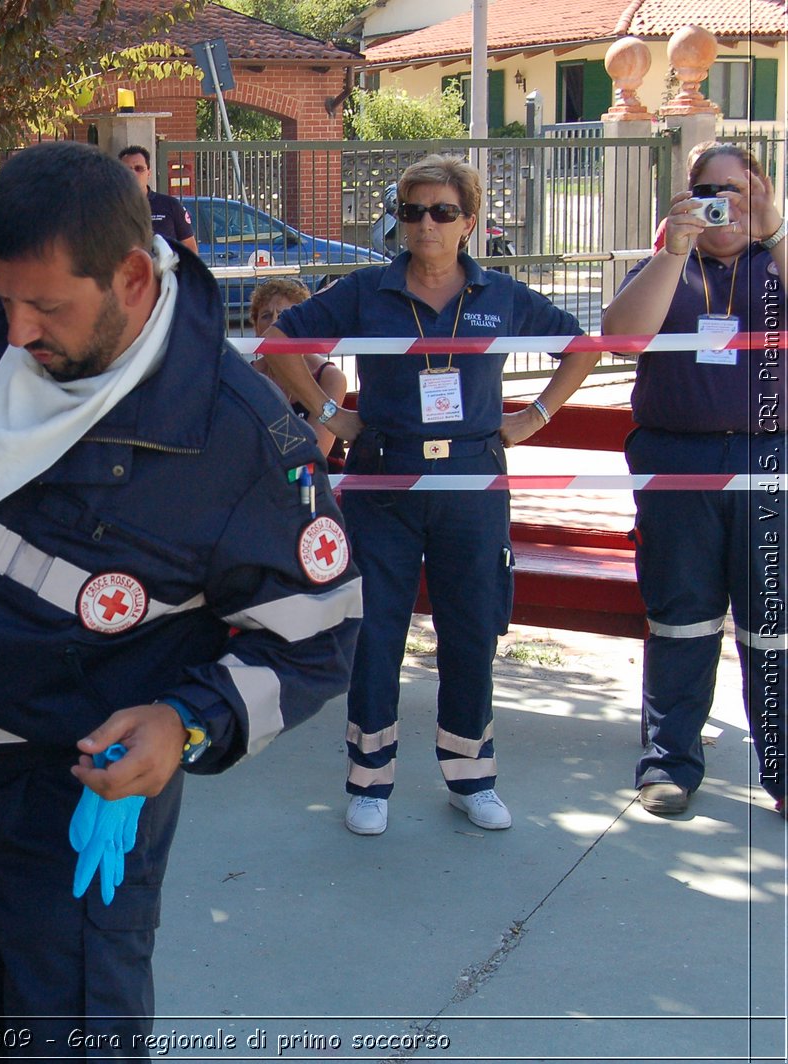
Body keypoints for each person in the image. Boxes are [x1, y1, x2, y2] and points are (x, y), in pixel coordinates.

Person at [0, 141, 359, 1056]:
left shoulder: (239, 436)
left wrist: (188, 721)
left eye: (45, 305)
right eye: (2, 295)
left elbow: (317, 640)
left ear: (131, 276)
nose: (14, 331)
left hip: (75, 803)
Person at [264, 153, 598, 837]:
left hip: (472, 482)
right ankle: (369, 779)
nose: (426, 225)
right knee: (378, 633)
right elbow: (277, 342)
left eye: (442, 212)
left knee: (471, 630)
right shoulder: (366, 290)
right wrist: (331, 417)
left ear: (468, 222)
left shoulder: (500, 295)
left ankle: (471, 776)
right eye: (413, 211)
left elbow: (584, 347)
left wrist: (533, 418)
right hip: (385, 479)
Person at [600, 142, 786, 818]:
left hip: (771, 461)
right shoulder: (669, 264)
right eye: (710, 189)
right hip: (678, 459)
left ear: (761, 191)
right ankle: (669, 764)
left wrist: (777, 231)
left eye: (737, 189)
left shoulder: (777, 262)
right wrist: (674, 249)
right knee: (681, 618)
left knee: (775, 624)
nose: (724, 203)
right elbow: (618, 336)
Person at [248, 279, 348, 470]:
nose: (275, 323)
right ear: (256, 327)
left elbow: (314, 454)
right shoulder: (248, 375)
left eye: (285, 315)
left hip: (317, 485)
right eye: (266, 316)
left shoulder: (330, 377)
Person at [119, 145, 198, 255]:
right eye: (127, 169)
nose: (133, 174)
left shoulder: (170, 205)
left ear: (149, 173)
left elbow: (190, 248)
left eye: (139, 169)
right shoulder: (109, 210)